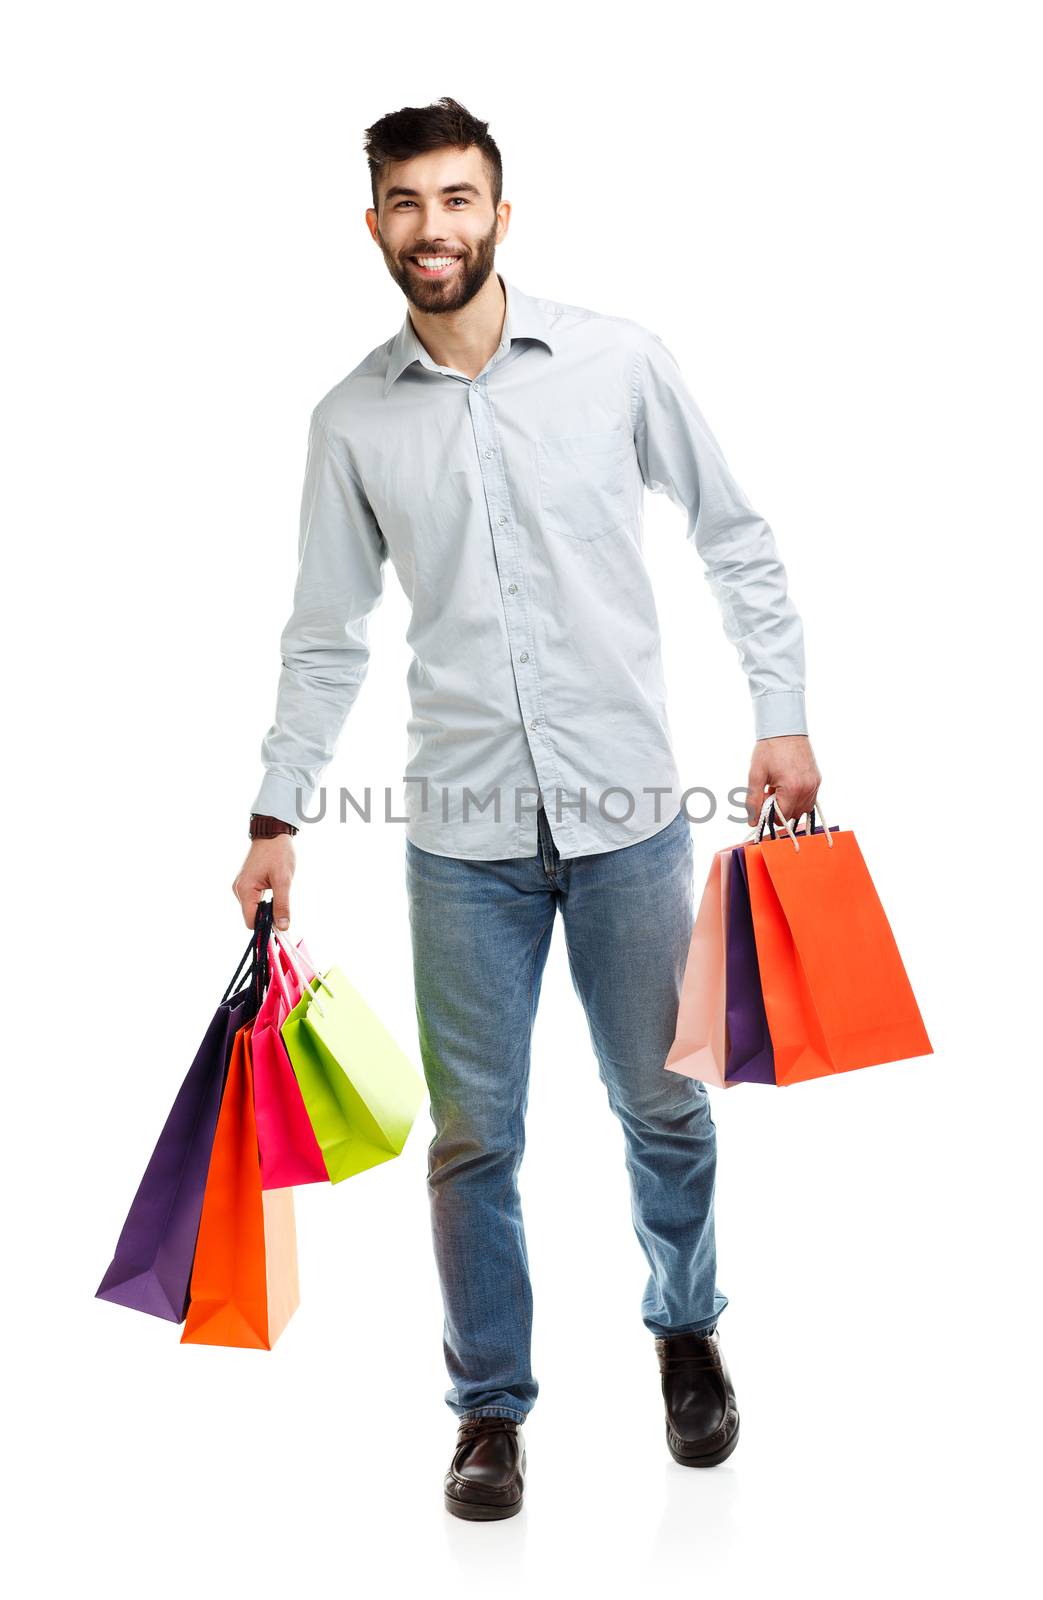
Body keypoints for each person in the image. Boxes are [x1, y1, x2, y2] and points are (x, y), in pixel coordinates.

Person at [233, 96, 822, 1521]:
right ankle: (489, 1412)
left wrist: (782, 709)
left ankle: (686, 1332)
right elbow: (328, 635)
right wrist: (275, 813)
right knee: (473, 1139)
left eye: (459, 199)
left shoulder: (618, 361)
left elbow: (733, 533)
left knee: (665, 1107)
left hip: (631, 823)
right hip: (463, 844)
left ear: (503, 212)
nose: (435, 228)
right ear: (374, 225)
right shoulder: (351, 422)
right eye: (408, 204)